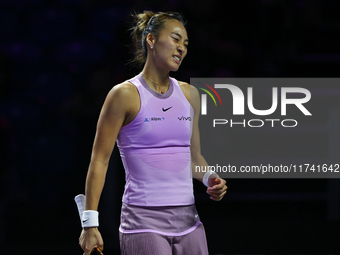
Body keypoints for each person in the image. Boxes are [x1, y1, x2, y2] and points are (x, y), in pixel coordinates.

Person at [78, 11, 227, 255]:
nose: (182, 48)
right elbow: (100, 160)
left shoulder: (190, 95)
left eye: (186, 44)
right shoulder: (124, 95)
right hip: (143, 224)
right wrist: (90, 224)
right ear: (151, 40)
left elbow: (193, 157)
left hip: (190, 223)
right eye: (176, 39)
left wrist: (210, 178)